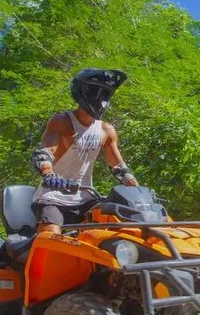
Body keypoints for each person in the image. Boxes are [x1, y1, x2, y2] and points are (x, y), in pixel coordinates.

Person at [30, 68, 139, 234]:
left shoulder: (106, 130)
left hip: (86, 199)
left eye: (106, 94)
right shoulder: (62, 122)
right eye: (96, 91)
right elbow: (45, 153)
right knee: (50, 235)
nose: (101, 98)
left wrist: (138, 190)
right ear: (82, 91)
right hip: (53, 197)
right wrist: (49, 174)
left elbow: (119, 167)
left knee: (120, 226)